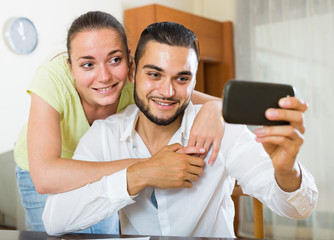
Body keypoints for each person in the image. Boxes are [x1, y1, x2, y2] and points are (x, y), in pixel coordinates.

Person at [42, 21, 318, 237]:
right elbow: (54, 220)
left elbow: (299, 209)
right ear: (132, 72)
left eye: (182, 78)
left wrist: (286, 172)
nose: (167, 91)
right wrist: (140, 174)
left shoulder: (224, 130)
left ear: (195, 80)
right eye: (154, 74)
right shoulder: (105, 134)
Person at [14, 12, 224, 233]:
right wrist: (147, 168)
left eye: (115, 60)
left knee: (105, 233)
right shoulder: (52, 79)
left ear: (131, 63)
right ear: (70, 67)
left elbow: (200, 98)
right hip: (47, 167)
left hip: (104, 163)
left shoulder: (135, 82)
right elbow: (45, 177)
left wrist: (215, 108)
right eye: (87, 64)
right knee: (55, 234)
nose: (104, 76)